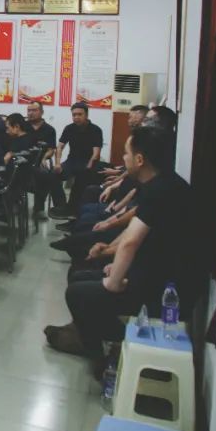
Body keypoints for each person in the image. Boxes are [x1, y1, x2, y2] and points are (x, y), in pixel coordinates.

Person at [47, 126, 193, 370]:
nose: (123, 159)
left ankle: (100, 351)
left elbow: (131, 241)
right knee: (80, 274)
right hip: (154, 270)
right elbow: (134, 231)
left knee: (76, 293)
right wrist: (109, 252)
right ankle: (85, 333)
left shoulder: (161, 191)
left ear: (140, 159)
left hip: (165, 289)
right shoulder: (163, 183)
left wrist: (114, 280)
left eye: (126, 153)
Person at [45, 102, 104, 217]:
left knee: (82, 177)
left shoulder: (96, 130)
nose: (76, 117)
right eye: (74, 115)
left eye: (79, 114)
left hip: (88, 162)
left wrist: (89, 167)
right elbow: (60, 147)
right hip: (72, 161)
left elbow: (96, 154)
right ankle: (62, 206)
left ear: (86, 115)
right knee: (52, 174)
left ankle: (72, 209)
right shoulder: (69, 128)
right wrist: (57, 164)